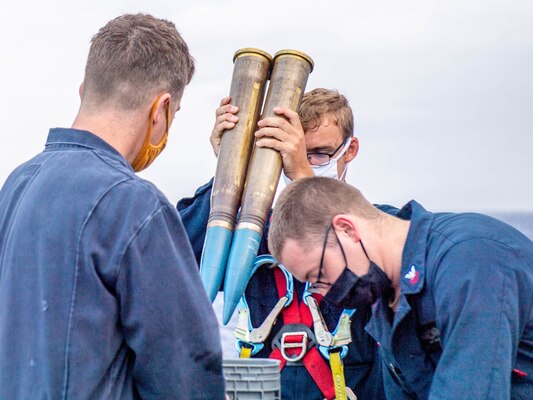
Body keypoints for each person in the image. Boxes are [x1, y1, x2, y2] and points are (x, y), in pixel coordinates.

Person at [0, 13, 225, 400]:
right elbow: (185, 370)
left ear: (85, 89)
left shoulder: (16, 185)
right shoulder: (136, 205)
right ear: (162, 110)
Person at [178, 89, 389, 400]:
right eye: (291, 153)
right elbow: (172, 258)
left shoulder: (378, 226)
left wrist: (305, 179)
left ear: (350, 149)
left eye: (317, 154)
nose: (299, 163)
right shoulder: (251, 233)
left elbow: (371, 270)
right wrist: (232, 170)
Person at [268, 176, 533, 399]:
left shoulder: (471, 259)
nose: (325, 293)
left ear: (347, 229)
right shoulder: (386, 302)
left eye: (321, 275)